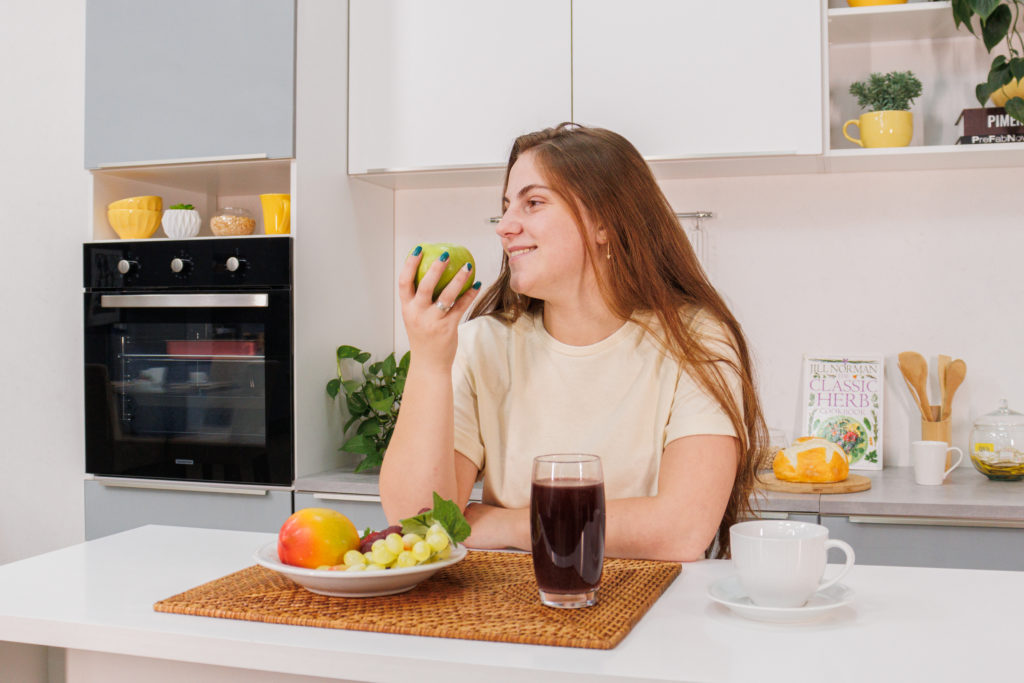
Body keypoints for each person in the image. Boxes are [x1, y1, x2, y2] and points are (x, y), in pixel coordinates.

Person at [379, 123, 768, 561]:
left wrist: (500, 522)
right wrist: (430, 361)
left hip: (653, 612)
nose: (504, 227)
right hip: (503, 608)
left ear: (603, 222)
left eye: (533, 203)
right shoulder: (481, 344)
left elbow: (681, 529)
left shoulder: (696, 340)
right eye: (506, 207)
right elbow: (417, 521)